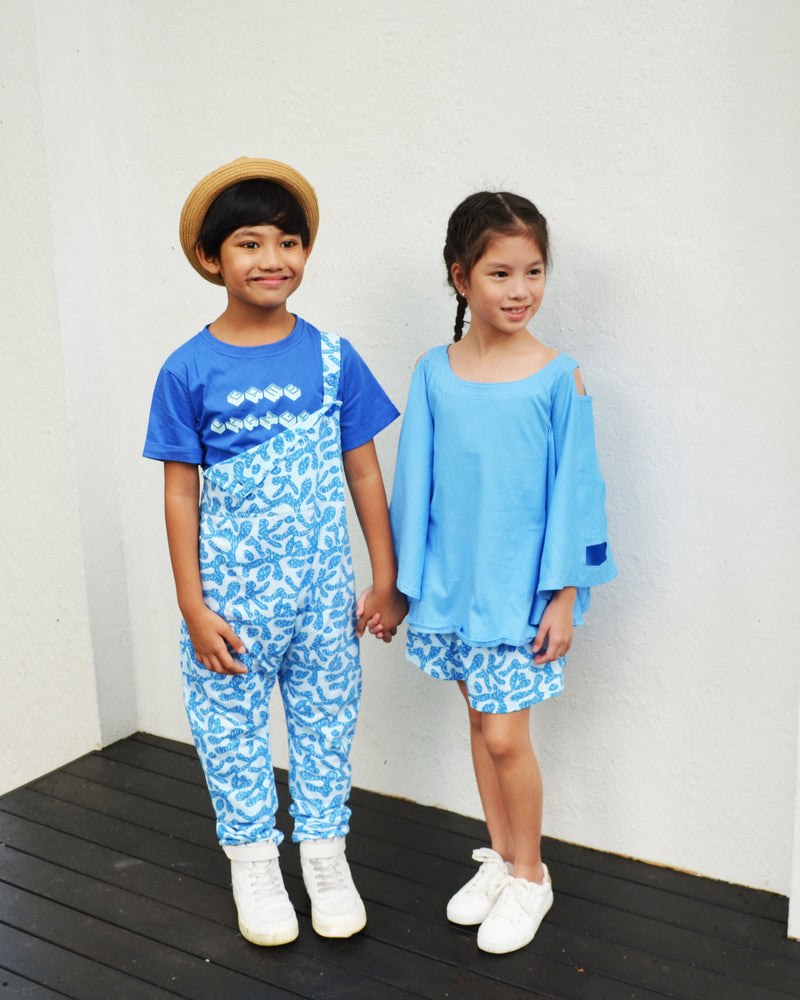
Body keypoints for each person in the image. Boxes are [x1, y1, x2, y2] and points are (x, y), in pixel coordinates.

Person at [143, 157, 406, 947]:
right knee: (231, 730)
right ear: (210, 257)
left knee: (326, 721)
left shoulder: (333, 358)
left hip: (324, 598)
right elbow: (180, 494)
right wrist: (192, 605)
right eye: (250, 243)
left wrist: (385, 576)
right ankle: (255, 863)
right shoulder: (188, 369)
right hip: (230, 602)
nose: (273, 259)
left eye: (289, 242)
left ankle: (324, 856)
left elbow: (364, 471)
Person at [388, 191, 616, 954]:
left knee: (507, 736)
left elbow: (575, 496)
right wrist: (401, 585)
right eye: (500, 273)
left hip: (519, 595)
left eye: (533, 271)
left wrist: (565, 595)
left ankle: (531, 875)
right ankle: (501, 854)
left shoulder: (558, 378)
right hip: (453, 589)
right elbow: (413, 482)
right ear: (461, 278)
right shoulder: (434, 372)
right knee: (482, 727)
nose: (520, 290)